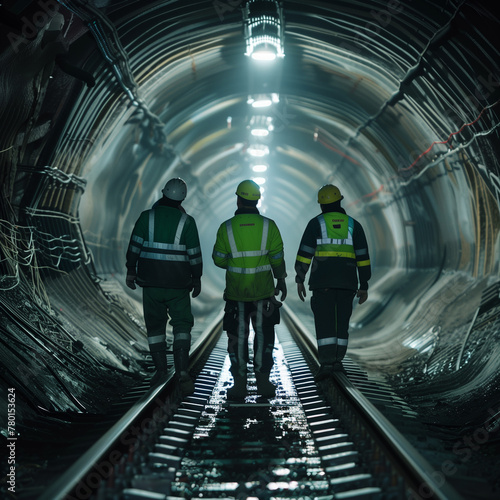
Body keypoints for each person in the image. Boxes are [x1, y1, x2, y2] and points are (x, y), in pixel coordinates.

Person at [125, 177, 202, 393]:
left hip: (151, 284)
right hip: (178, 285)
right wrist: (197, 278)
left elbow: (134, 248)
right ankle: (182, 372)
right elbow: (194, 256)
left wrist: (131, 271)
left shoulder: (146, 218)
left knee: (155, 327)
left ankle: (160, 370)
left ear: (163, 193)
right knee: (182, 325)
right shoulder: (187, 222)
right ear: (183, 199)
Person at [212, 180, 287, 400]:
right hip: (264, 294)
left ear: (238, 199)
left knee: (237, 338)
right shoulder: (269, 226)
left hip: (237, 295)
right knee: (264, 338)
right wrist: (280, 279)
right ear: (257, 200)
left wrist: (235, 265)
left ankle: (239, 385)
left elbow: (218, 259)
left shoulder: (226, 227)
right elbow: (277, 258)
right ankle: (263, 383)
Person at [295, 184, 371, 379]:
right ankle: (338, 361)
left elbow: (305, 254)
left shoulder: (315, 224)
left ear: (321, 205)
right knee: (341, 323)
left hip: (322, 284)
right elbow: (362, 257)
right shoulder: (354, 225)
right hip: (347, 284)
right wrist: (364, 285)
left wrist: (300, 278)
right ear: (340, 200)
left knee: (325, 322)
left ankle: (327, 363)